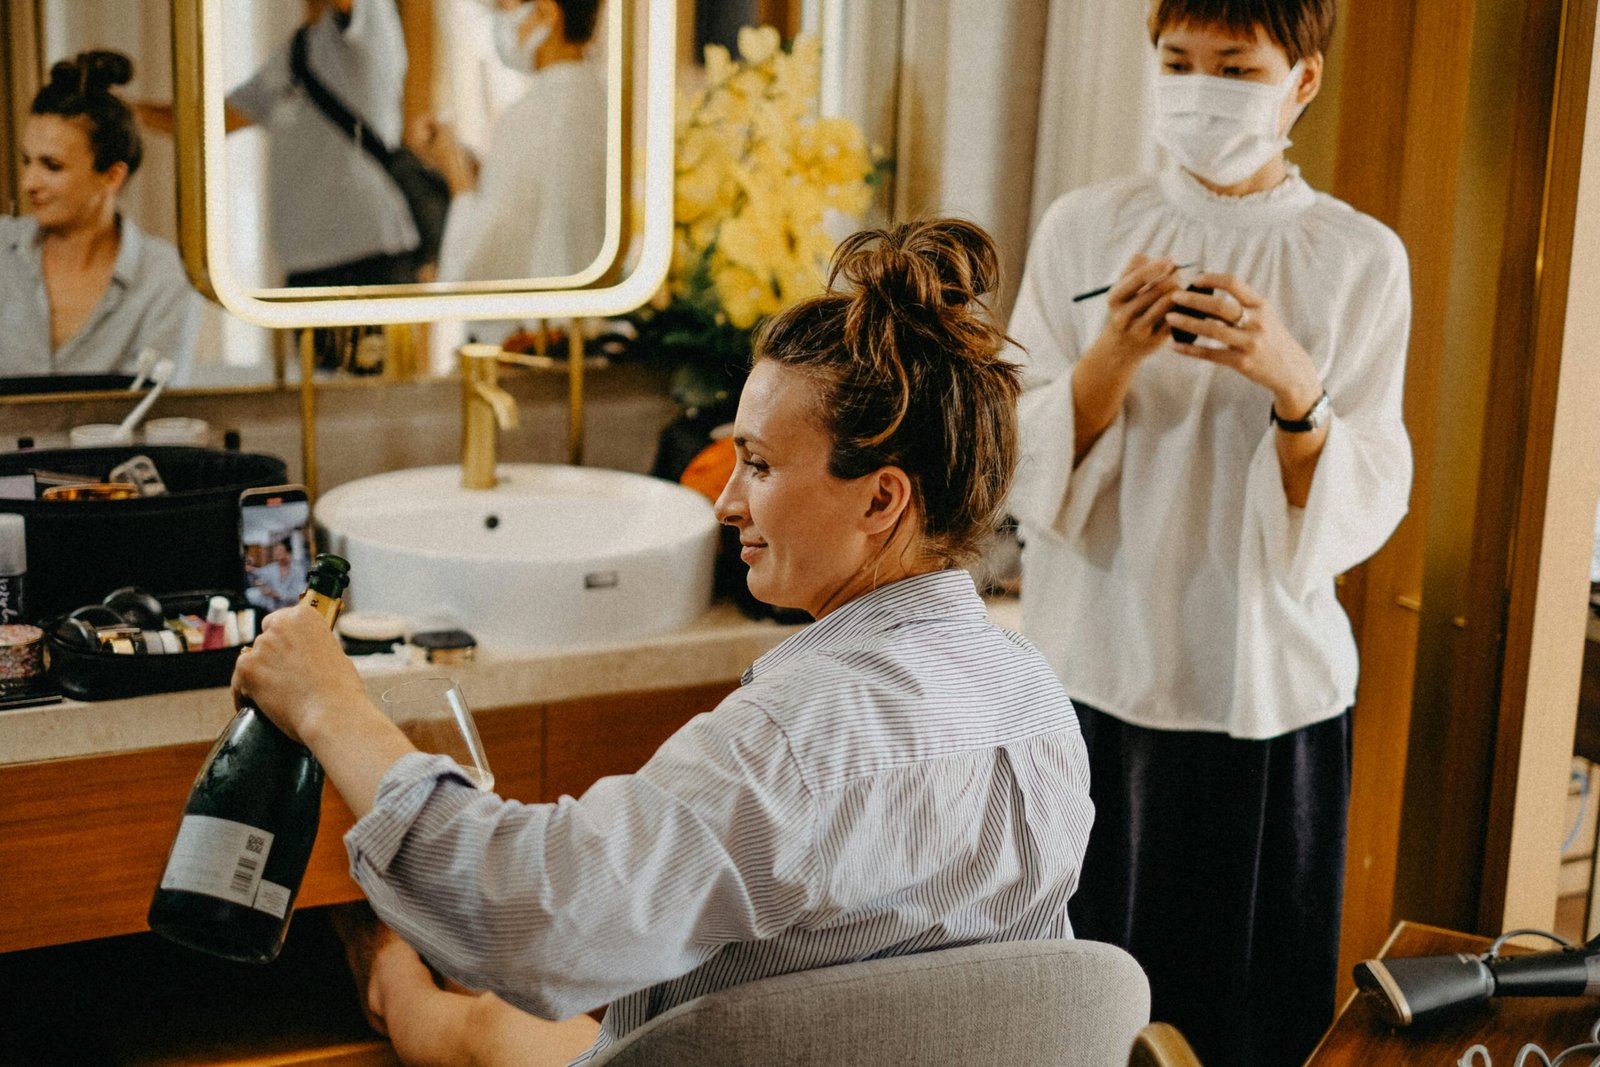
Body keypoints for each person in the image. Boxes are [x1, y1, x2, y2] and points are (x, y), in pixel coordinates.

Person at [235, 218, 1094, 1067]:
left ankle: (385, 962)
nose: (725, 503)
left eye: (756, 464)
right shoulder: (1038, 700)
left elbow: (527, 921)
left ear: (881, 502)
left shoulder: (797, 743)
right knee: (514, 1022)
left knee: (481, 1021)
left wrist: (328, 701)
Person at [1005, 2, 1411, 1064]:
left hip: (1263, 690)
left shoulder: (1358, 259)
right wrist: (1110, 359)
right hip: (1092, 666)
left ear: (1301, 82)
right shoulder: (1084, 226)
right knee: (1079, 998)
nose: (1196, 89)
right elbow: (1014, 449)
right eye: (1175, 62)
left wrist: (1293, 384)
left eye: (1233, 67)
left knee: (1244, 1007)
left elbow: (1364, 491)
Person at [0, 50, 199, 380]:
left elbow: (156, 410)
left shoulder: (165, 279)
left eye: (52, 166)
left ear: (111, 176)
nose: (28, 183)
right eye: (27, 161)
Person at [409, 0, 607, 288]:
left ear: (544, 13)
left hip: (539, 325)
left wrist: (456, 172)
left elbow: (477, 265)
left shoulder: (532, 115)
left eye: (503, 9)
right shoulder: (601, 101)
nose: (500, 24)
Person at [224, 0, 418, 287]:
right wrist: (136, 114)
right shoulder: (296, 50)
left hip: (371, 254)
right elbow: (214, 121)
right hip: (305, 264)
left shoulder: (372, 15)